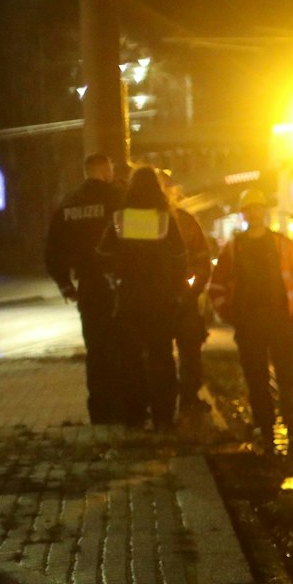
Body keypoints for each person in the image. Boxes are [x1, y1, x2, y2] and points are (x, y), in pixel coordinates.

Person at [208, 189, 293, 456]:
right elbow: (217, 285)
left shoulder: (281, 244)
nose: (254, 213)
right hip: (249, 323)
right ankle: (267, 433)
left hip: (280, 321)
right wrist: (230, 315)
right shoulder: (235, 246)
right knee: (257, 381)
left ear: (264, 211)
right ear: (244, 213)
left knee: (288, 381)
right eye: (249, 209)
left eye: (258, 208)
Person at [96, 166, 188, 430]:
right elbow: (181, 259)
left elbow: (102, 256)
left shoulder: (119, 219)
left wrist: (119, 271)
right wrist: (173, 289)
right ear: (158, 190)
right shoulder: (165, 220)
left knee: (130, 358)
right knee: (161, 356)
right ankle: (164, 416)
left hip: (129, 297)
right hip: (160, 299)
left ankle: (134, 415)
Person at [43, 153, 125, 423]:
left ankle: (99, 411)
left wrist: (67, 286)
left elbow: (52, 252)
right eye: (110, 169)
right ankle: (122, 408)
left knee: (96, 350)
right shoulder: (117, 199)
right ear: (105, 170)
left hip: (88, 287)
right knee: (121, 346)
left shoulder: (68, 204)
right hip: (118, 285)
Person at [162, 175, 216, 417]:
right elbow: (203, 259)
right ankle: (186, 399)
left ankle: (167, 403)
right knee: (187, 349)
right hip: (179, 296)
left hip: (160, 297)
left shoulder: (134, 220)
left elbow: (202, 260)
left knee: (169, 351)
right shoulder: (184, 221)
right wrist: (194, 290)